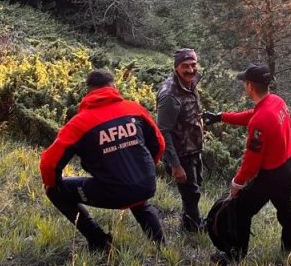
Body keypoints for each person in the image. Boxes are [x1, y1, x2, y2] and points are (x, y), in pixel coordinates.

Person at [39, 69, 167, 252]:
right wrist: (143, 170)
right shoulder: (134, 109)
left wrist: (54, 183)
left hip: (113, 192)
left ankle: (99, 240)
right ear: (113, 86)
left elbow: (48, 163)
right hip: (145, 185)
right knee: (138, 196)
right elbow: (160, 144)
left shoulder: (79, 123)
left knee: (53, 191)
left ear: (88, 91)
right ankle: (162, 248)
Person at [202, 63, 291, 265]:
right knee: (284, 207)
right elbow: (253, 115)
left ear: (249, 86)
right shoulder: (276, 101)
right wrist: (221, 117)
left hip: (272, 175)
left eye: (244, 83)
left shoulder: (261, 120)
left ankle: (235, 256)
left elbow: (251, 162)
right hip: (289, 164)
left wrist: (237, 184)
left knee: (241, 210)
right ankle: (290, 249)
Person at [156, 48, 208, 232]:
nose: (191, 70)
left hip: (194, 148)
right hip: (180, 153)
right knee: (190, 193)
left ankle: (188, 222)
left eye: (193, 65)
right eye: (185, 66)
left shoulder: (191, 82)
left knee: (195, 188)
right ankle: (193, 228)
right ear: (176, 67)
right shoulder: (169, 95)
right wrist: (175, 165)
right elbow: (163, 131)